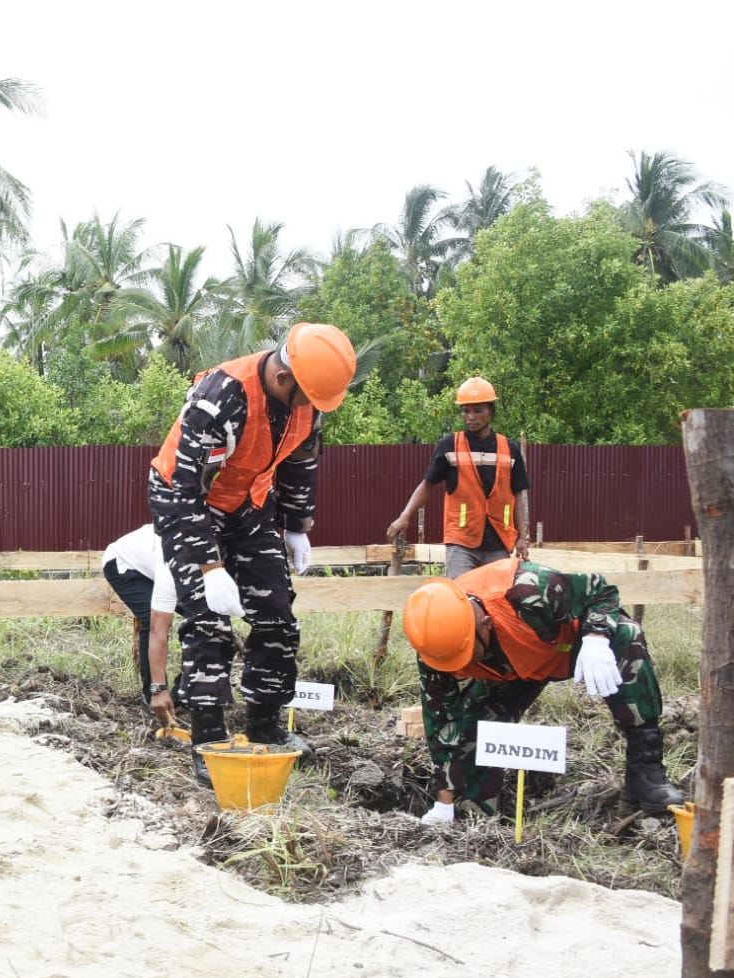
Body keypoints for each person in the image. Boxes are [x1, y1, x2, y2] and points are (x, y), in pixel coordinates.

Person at [148, 323, 357, 787]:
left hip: (248, 502)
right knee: (207, 620)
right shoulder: (219, 397)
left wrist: (298, 527)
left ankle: (265, 724)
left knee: (278, 615)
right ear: (284, 379)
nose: (312, 408)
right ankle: (210, 739)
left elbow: (302, 462)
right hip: (189, 504)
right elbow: (184, 490)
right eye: (307, 397)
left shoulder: (309, 402)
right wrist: (210, 566)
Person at [402, 558, 684, 823]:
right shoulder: (437, 649)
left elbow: (600, 590)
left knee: (626, 636)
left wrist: (596, 636)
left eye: (467, 654)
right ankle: (475, 815)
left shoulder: (528, 589)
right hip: (509, 671)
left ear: (484, 625)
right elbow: (442, 724)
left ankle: (646, 772)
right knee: (473, 727)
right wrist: (444, 799)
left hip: (569, 648)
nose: (462, 664)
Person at [385, 376, 531, 578]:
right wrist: (405, 516)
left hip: (499, 542)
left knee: (496, 601)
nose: (471, 416)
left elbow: (517, 495)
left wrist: (522, 538)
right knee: (460, 599)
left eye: (478, 410)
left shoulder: (510, 450)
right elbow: (427, 486)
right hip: (462, 542)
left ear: (491, 411)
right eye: (466, 411)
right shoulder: (449, 446)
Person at [101, 524, 179, 728]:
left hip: (152, 563)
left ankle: (185, 693)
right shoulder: (172, 562)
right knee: (152, 620)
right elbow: (158, 629)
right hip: (124, 564)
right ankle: (152, 695)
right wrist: (158, 688)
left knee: (204, 623)